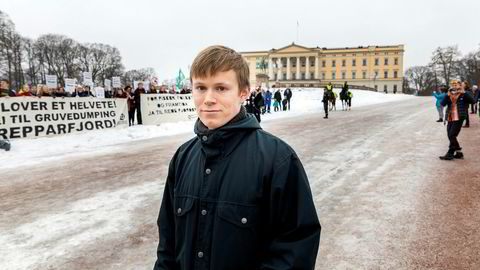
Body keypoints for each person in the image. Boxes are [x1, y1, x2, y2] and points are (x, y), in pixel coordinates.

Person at [153, 45, 320, 270]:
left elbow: (294, 251)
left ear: (244, 92)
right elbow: (168, 246)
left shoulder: (278, 159)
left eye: (221, 88)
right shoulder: (183, 157)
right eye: (200, 87)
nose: (208, 99)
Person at [439, 80, 475, 160]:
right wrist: (446, 96)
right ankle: (459, 152)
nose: (454, 86)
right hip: (450, 117)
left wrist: (464, 93)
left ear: (459, 85)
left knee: (452, 135)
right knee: (450, 135)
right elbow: (442, 104)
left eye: (456, 84)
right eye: (452, 84)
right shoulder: (449, 94)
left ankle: (450, 153)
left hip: (459, 117)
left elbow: (473, 101)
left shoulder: (464, 93)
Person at [0, 79, 12, 151]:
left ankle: (5, 142)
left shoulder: (12, 92)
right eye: (0, 83)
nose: (1, 84)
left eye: (3, 83)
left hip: (9, 113)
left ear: (7, 84)